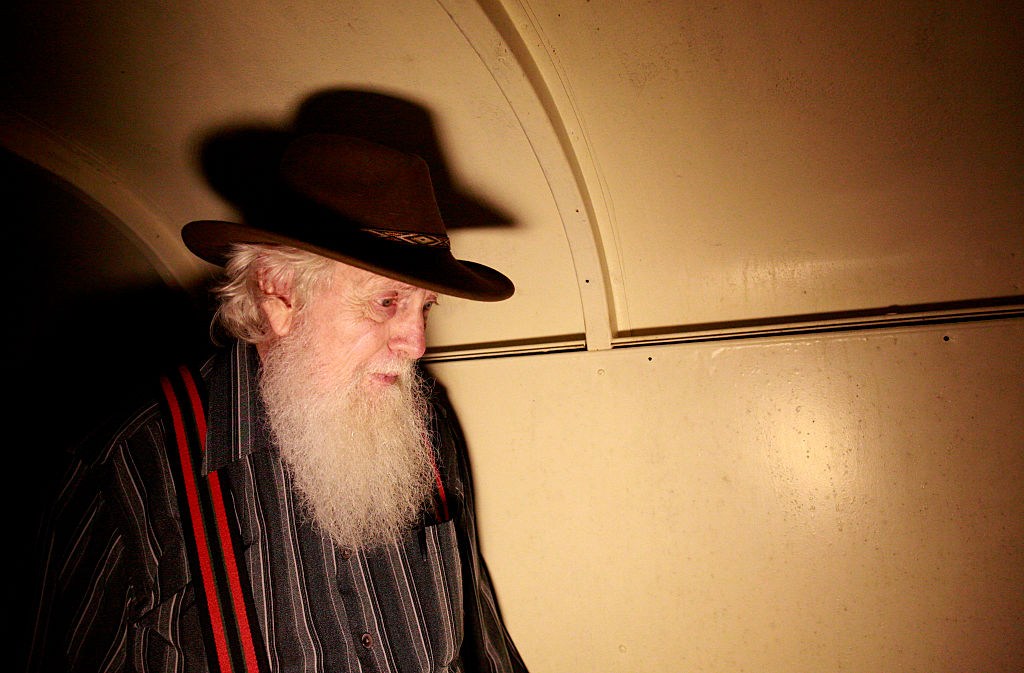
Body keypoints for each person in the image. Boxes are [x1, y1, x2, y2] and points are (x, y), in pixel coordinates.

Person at [27, 133, 527, 672]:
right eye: (387, 302)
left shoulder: (425, 427)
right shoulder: (123, 471)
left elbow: (482, 644)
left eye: (423, 307)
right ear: (279, 291)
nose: (416, 344)